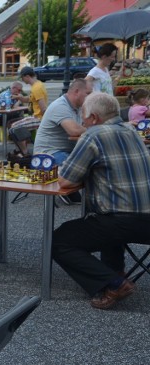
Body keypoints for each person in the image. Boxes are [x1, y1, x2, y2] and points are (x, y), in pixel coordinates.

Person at [51, 92, 150, 309]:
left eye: (84, 118)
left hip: (123, 222)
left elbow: (66, 181)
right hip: (147, 222)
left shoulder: (93, 135)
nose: (82, 122)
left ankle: (113, 283)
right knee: (104, 218)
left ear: (94, 117)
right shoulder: (132, 130)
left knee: (58, 241)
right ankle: (115, 271)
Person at [33, 78, 92, 205]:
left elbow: (89, 125)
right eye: (88, 93)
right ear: (77, 91)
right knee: (86, 167)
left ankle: (77, 189)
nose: (90, 97)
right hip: (48, 154)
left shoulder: (77, 107)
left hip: (65, 151)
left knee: (94, 162)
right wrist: (94, 130)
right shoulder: (60, 106)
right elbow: (74, 130)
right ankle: (66, 188)